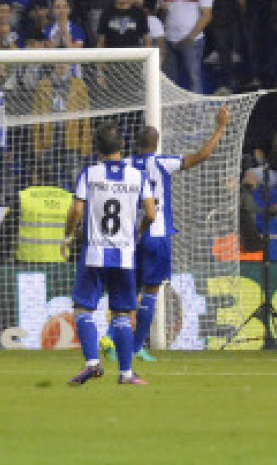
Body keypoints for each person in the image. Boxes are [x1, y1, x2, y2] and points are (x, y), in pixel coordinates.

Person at [107, 107, 229, 363]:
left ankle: (110, 337)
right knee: (151, 292)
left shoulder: (124, 165)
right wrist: (220, 127)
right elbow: (203, 155)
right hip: (156, 235)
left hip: (129, 237)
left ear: (135, 144)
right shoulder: (163, 163)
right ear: (157, 144)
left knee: (128, 290)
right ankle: (137, 345)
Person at [61, 122, 155, 386]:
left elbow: (76, 210)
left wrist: (68, 236)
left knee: (83, 309)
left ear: (96, 149)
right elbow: (150, 213)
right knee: (122, 315)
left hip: (95, 254)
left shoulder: (89, 174)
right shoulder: (138, 176)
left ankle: (92, 363)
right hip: (125, 255)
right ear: (122, 146)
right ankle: (126, 373)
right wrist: (138, 231)